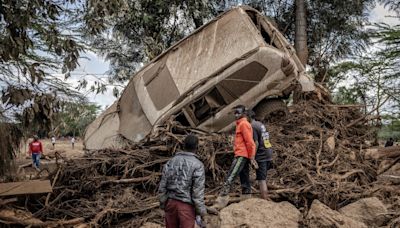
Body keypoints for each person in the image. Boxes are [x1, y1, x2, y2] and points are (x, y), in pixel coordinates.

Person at [213, 105, 256, 209]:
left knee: (230, 177)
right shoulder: (241, 124)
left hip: (242, 155)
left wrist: (252, 157)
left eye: (238, 112)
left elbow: (250, 142)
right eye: (235, 113)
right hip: (242, 154)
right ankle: (247, 199)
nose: (236, 114)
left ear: (243, 113)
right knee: (244, 178)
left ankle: (221, 201)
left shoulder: (244, 124)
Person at [158, 135, 207, 228]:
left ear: (184, 146)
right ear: (197, 147)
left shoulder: (171, 161)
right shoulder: (198, 165)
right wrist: (201, 212)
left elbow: (162, 186)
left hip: (170, 204)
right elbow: (197, 193)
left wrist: (163, 204)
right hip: (186, 207)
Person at [247, 110, 273, 200]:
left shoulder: (252, 126)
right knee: (263, 177)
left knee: (261, 179)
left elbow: (256, 143)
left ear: (248, 117)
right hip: (268, 152)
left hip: (261, 155)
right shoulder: (260, 124)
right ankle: (265, 197)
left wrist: (252, 157)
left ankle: (264, 200)